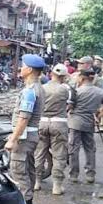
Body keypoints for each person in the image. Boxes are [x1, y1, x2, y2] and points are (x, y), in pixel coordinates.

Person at [5, 54, 45, 204]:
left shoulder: (30, 91)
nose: (20, 68)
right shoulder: (38, 88)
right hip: (31, 134)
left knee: (19, 172)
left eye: (22, 65)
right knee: (28, 170)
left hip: (24, 137)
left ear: (29, 69)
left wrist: (12, 139)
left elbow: (23, 118)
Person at [67, 67, 103, 184]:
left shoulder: (76, 91)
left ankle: (74, 174)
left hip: (75, 122)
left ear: (81, 78)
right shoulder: (100, 92)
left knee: (73, 149)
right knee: (90, 149)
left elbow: (70, 106)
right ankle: (90, 174)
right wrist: (99, 116)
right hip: (90, 122)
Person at [34, 64, 72, 195]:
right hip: (59, 123)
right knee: (59, 155)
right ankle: (57, 186)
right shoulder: (65, 89)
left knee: (39, 153)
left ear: (51, 73)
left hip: (42, 123)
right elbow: (71, 104)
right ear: (64, 76)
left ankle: (37, 182)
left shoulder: (42, 88)